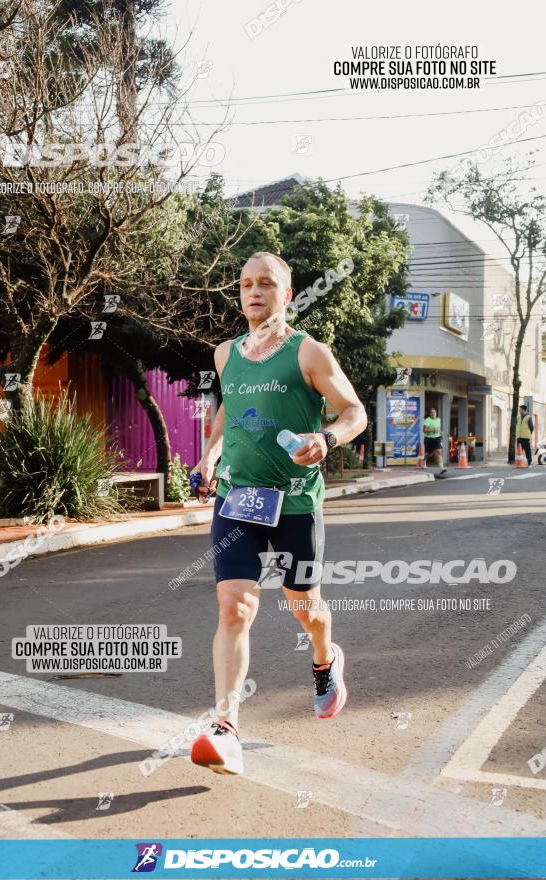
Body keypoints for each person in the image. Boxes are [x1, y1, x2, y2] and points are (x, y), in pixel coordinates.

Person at [188, 251, 367, 776]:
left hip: (295, 501)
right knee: (234, 608)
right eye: (245, 283)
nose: (254, 291)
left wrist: (327, 437)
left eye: (266, 283)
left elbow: (354, 411)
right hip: (238, 498)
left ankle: (324, 657)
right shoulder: (226, 354)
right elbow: (228, 409)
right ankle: (226, 728)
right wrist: (210, 454)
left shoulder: (309, 353)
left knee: (303, 606)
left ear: (287, 294)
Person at [423, 407, 447, 475]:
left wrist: (441, 432)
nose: (433, 413)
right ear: (430, 414)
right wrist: (433, 430)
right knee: (428, 454)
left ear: (436, 413)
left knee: (439, 452)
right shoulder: (427, 420)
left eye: (434, 412)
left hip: (437, 438)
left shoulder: (438, 419)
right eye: (432, 412)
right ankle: (424, 460)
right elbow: (424, 430)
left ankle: (442, 468)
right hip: (429, 438)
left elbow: (438, 429)